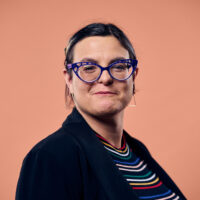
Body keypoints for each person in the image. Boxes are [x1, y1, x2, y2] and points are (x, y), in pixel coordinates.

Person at [16, 23, 186, 200]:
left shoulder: (137, 151)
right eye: (89, 68)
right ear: (68, 78)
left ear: (133, 76)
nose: (105, 78)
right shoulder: (50, 156)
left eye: (119, 66)